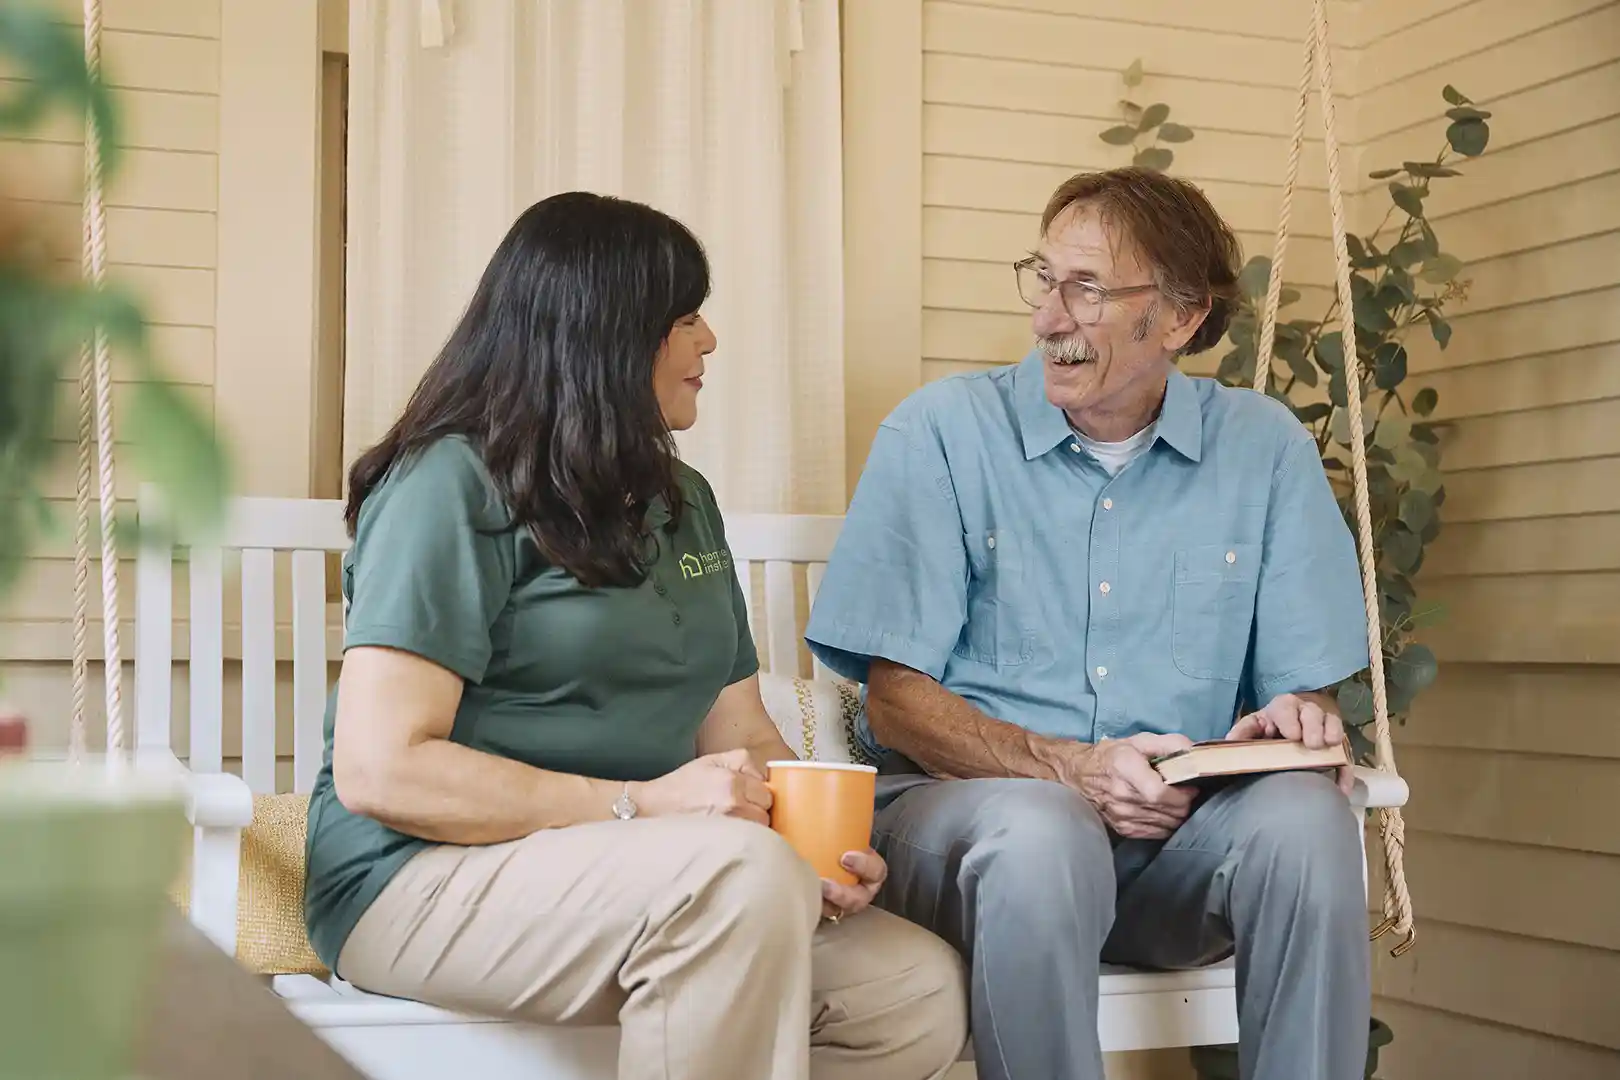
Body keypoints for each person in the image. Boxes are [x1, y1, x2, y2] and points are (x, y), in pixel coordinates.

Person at [303, 191, 968, 1080]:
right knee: (734, 880)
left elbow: (741, 736)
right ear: (608, 332)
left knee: (911, 993)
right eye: (684, 316)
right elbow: (384, 769)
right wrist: (639, 807)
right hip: (417, 880)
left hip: (648, 875)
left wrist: (820, 849)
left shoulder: (681, 501)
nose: (709, 341)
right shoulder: (449, 486)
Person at [804, 167, 1374, 1080]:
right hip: (972, 839)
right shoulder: (944, 434)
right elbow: (895, 702)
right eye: (1043, 279)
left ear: (1181, 318)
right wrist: (1071, 770)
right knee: (1045, 831)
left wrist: (1294, 717)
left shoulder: (1264, 450)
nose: (1047, 318)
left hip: (1172, 851)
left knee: (1307, 822)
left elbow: (1300, 686)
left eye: (1087, 289)